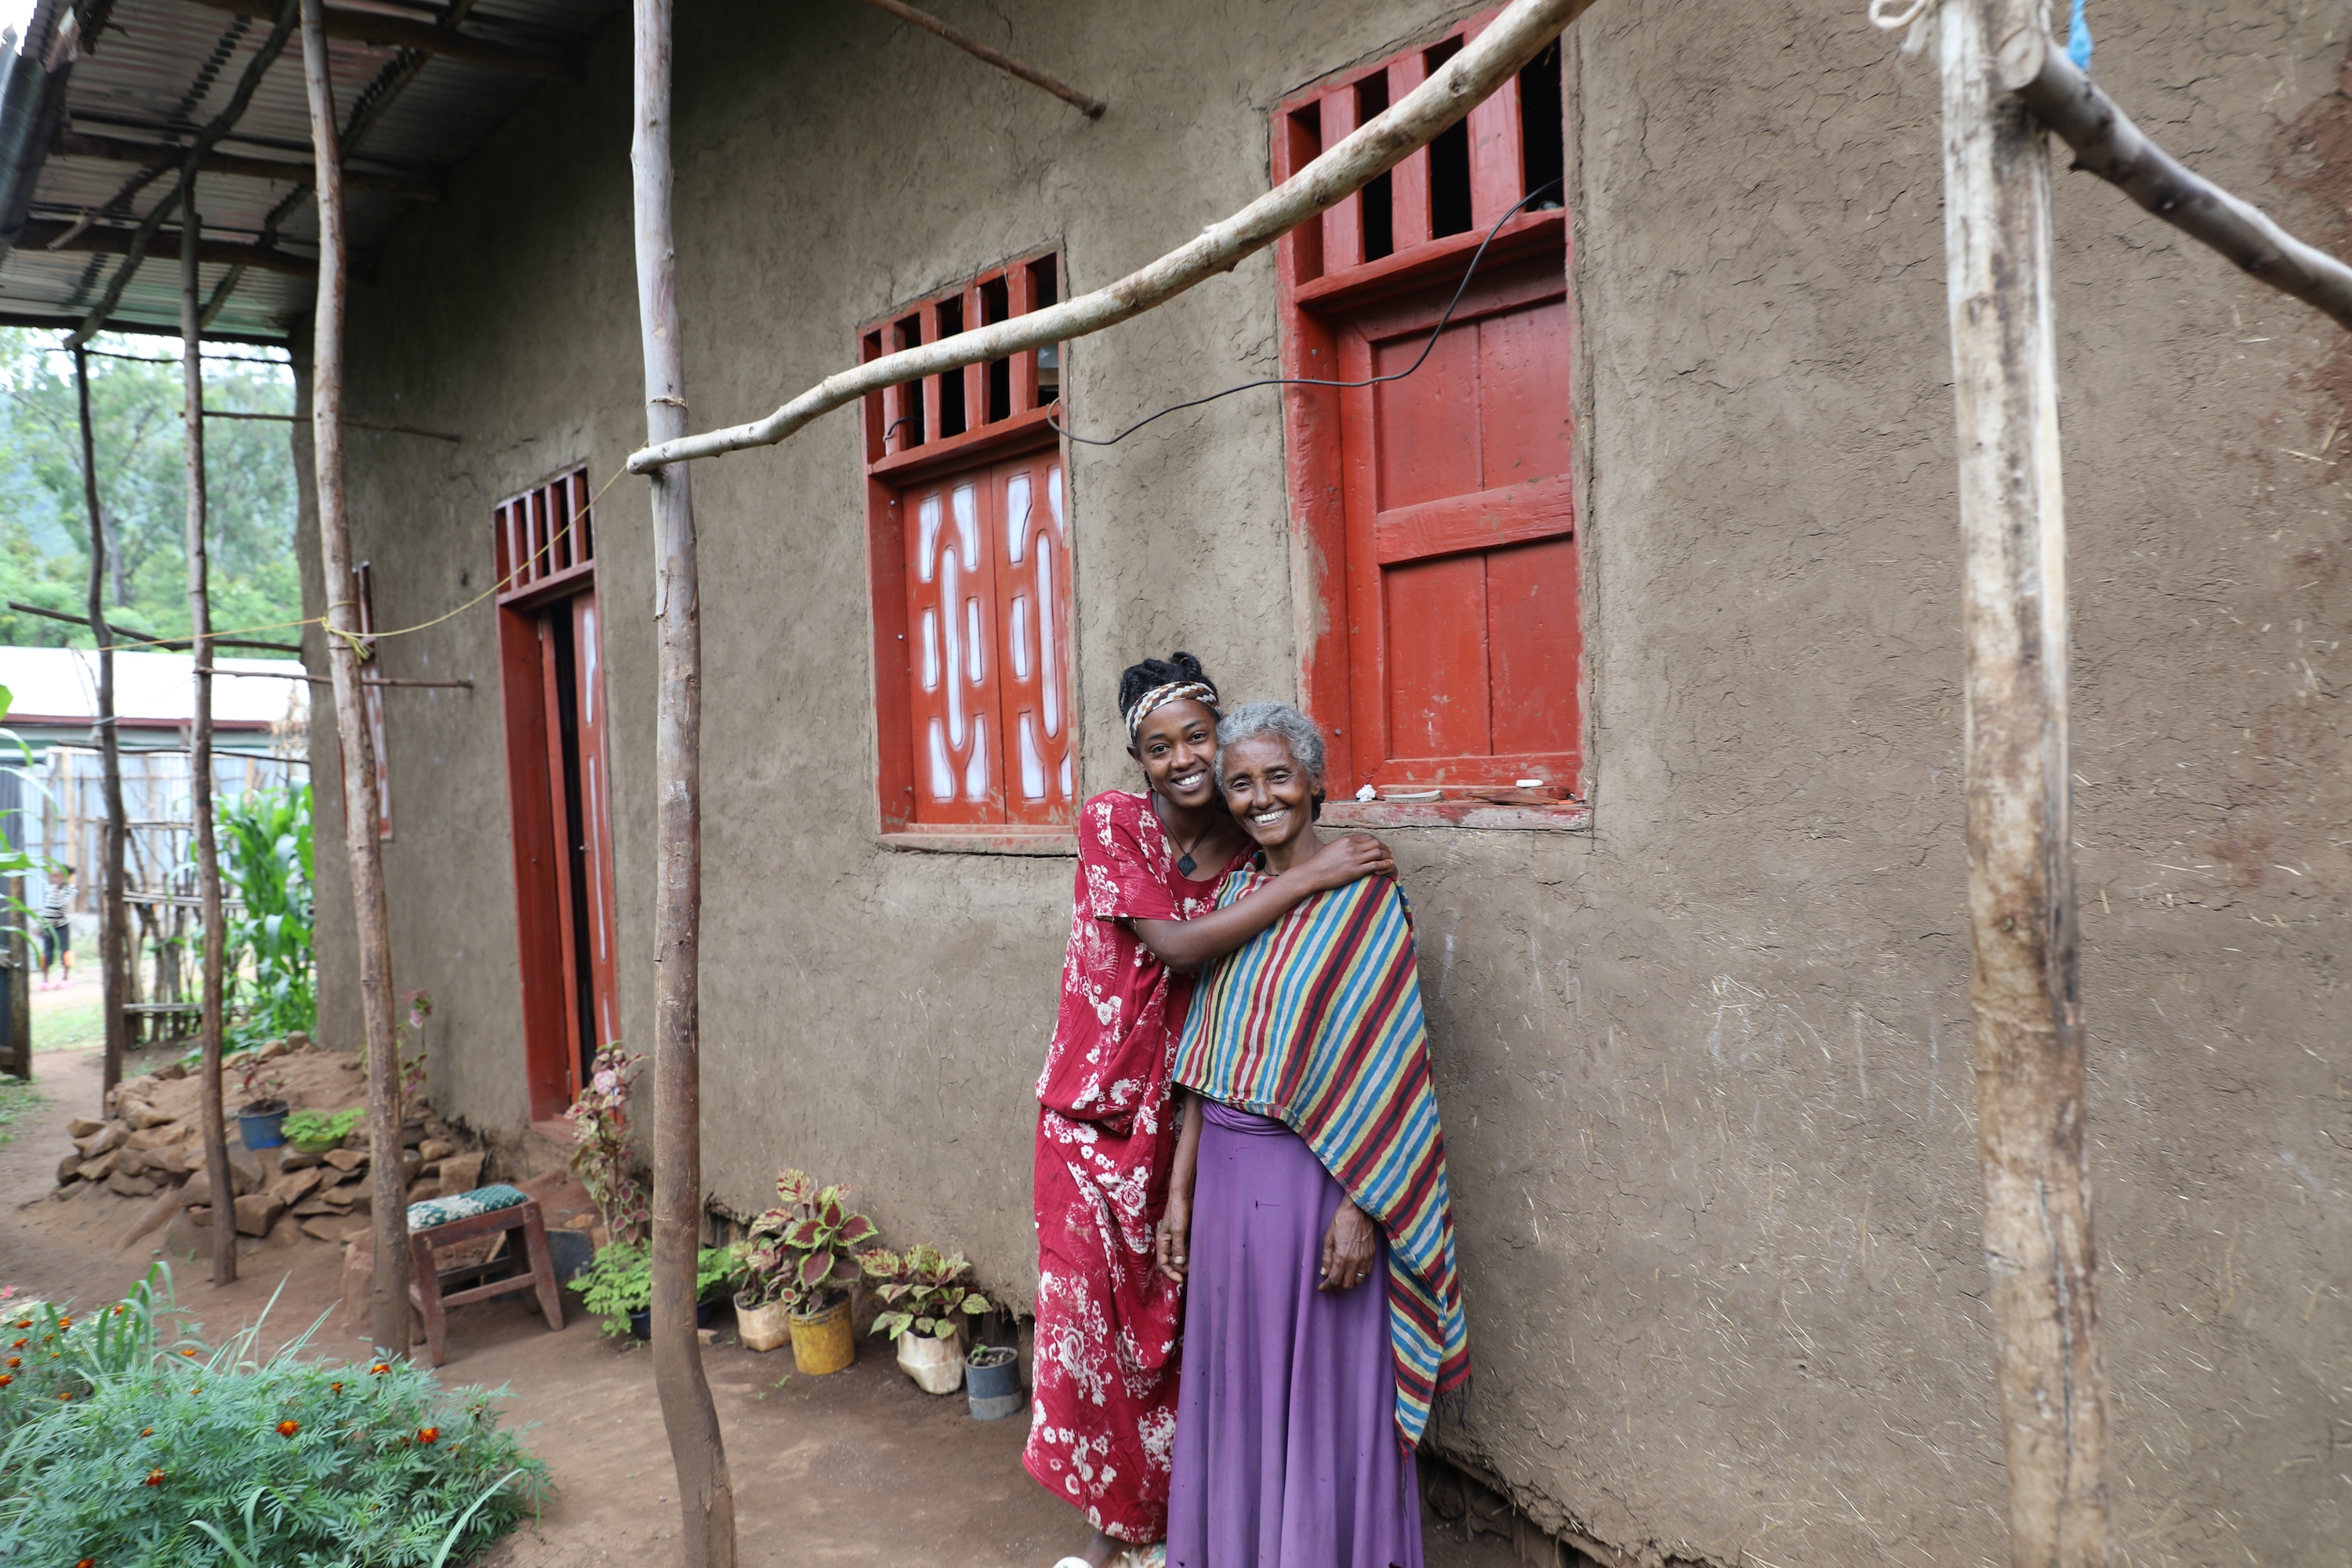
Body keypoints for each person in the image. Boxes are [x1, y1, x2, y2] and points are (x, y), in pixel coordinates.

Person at [1029, 655, 1397, 1568]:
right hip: (1092, 1112)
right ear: (1137, 756)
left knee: (1174, 1329)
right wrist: (1308, 878)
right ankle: (1106, 1538)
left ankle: (1187, 1525)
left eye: (1200, 737)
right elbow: (1179, 947)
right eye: (1162, 746)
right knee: (1091, 1328)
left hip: (1183, 1109)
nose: (1186, 758)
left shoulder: (1243, 855)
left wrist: (1302, 869)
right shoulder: (1115, 822)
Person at [1160, 702, 1468, 1568]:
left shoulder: (1366, 899)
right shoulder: (1234, 895)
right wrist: (1180, 1195)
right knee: (1240, 1391)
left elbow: (1393, 1077)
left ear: (1315, 783)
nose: (1262, 798)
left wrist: (1360, 1208)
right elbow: (1205, 1059)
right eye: (1242, 783)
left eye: (1279, 777)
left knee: (1324, 1393)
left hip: (1314, 1192)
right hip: (1224, 1184)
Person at [36, 866, 72, 989]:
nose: (56, 879)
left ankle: (65, 979)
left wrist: (58, 891)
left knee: (65, 951)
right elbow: (47, 908)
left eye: (59, 876)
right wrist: (41, 926)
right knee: (47, 952)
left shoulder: (70, 889)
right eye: (54, 876)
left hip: (62, 926)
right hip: (48, 926)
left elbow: (61, 905)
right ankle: (45, 980)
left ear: (65, 878)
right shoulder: (48, 889)